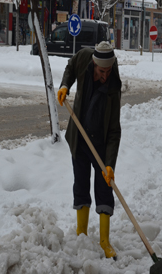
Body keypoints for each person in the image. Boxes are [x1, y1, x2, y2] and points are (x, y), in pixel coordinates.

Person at [56, 41, 121, 259]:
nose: (105, 74)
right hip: (80, 136)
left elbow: (114, 129)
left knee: (104, 188)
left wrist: (110, 163)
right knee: (80, 184)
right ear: (94, 64)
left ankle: (104, 241)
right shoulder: (84, 57)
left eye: (109, 70)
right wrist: (65, 85)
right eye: (102, 71)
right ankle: (81, 233)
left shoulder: (113, 85)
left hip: (101, 143)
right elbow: (70, 68)